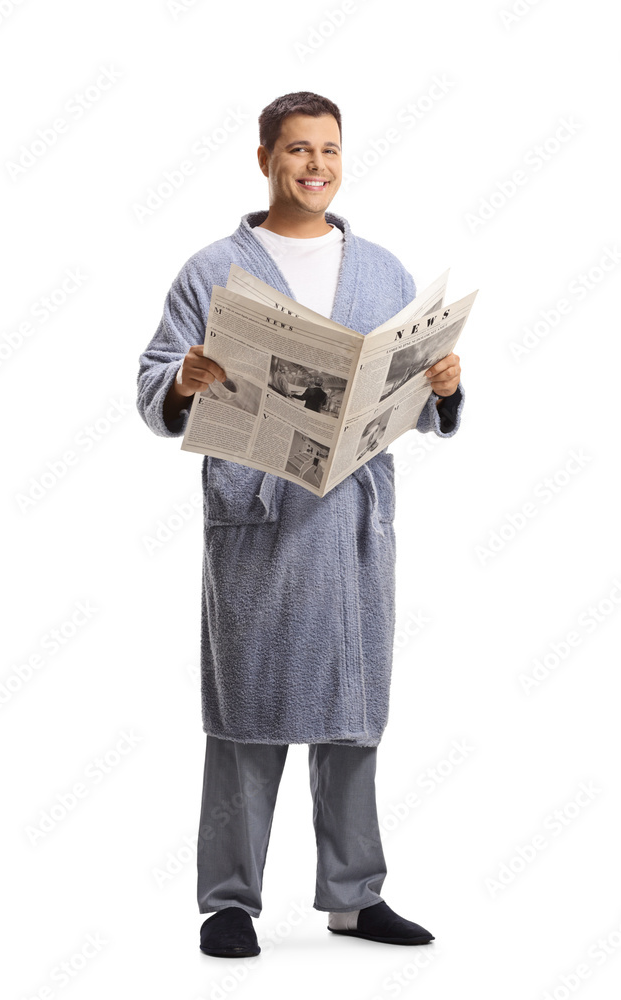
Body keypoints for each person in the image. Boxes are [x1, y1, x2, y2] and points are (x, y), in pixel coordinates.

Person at [136, 92, 464, 959]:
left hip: (351, 521)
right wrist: (185, 378)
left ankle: (354, 897)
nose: (314, 165)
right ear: (264, 160)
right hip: (257, 523)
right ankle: (229, 903)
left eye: (328, 149)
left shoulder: (383, 270)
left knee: (353, 709)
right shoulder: (212, 271)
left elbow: (417, 398)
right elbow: (152, 381)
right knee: (248, 708)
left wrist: (442, 388)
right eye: (296, 150)